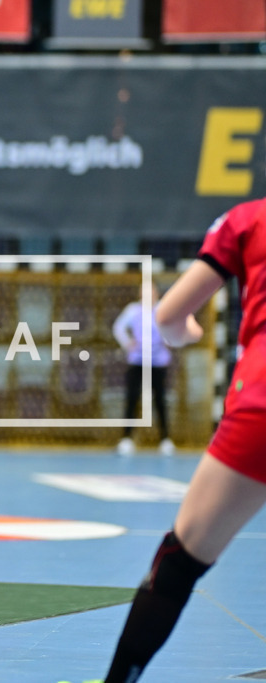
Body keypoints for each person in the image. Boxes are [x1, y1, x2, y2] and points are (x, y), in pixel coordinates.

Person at [104, 202, 266, 681]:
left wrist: (183, 331)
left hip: (260, 402)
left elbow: (170, 317)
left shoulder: (248, 221)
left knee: (179, 563)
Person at [112, 283, 175, 456]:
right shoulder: (133, 310)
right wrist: (128, 343)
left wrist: (169, 341)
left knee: (160, 400)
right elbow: (118, 328)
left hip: (158, 362)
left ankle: (165, 439)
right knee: (132, 398)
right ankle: (126, 438)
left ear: (156, 293)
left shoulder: (163, 309)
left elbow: (174, 326)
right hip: (137, 361)